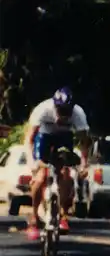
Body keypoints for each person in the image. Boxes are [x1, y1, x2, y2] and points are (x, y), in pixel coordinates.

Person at [23, 87, 89, 242]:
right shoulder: (42, 110)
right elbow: (29, 139)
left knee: (66, 174)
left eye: (67, 112)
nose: (64, 115)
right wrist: (31, 161)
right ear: (54, 106)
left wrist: (84, 164)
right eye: (60, 110)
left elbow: (84, 142)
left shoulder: (79, 114)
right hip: (44, 138)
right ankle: (34, 218)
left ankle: (62, 214)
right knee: (40, 177)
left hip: (64, 138)